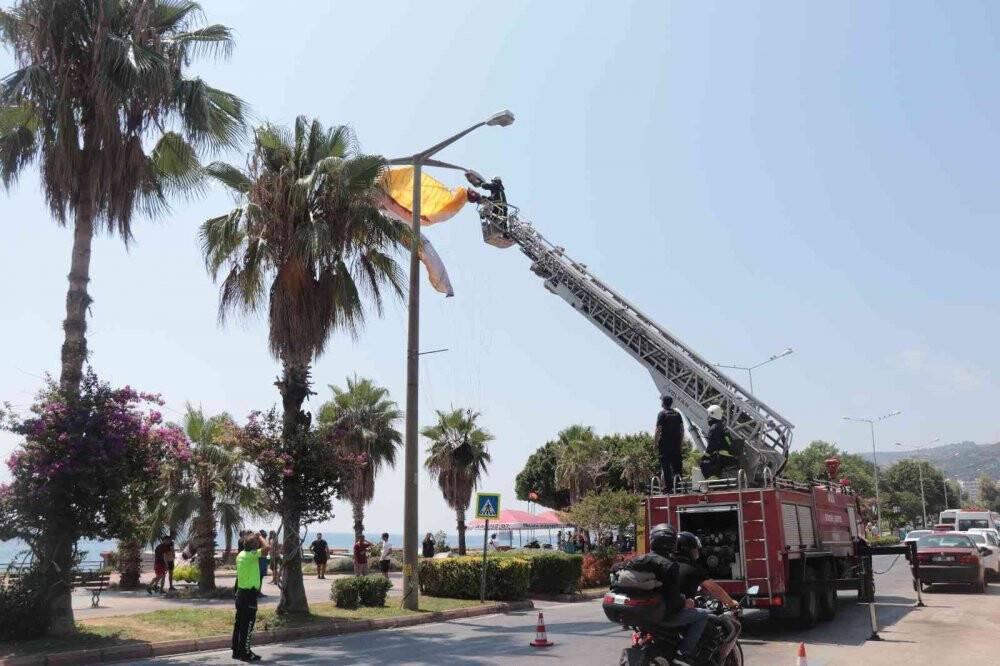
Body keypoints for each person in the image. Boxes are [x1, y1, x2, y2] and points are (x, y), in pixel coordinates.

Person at [621, 523, 708, 665]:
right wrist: (686, 602)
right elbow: (673, 600)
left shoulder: (638, 560)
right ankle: (684, 652)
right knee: (703, 615)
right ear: (671, 543)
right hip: (662, 615)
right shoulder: (669, 565)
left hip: (644, 613)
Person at [232, 532, 269, 662]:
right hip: (249, 595)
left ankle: (237, 651)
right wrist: (259, 537)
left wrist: (254, 539)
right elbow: (267, 548)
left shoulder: (241, 555)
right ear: (254, 546)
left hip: (241, 594)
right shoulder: (251, 556)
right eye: (256, 544)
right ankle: (245, 653)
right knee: (247, 625)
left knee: (239, 623)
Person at [655, 395, 684, 491]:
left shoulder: (662, 414)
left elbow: (658, 430)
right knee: (677, 467)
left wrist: (655, 443)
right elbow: (682, 430)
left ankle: (668, 488)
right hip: (676, 445)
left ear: (663, 403)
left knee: (666, 467)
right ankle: (679, 487)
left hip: (665, 446)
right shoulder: (677, 414)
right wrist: (680, 443)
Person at [700, 404, 737, 479]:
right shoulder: (722, 426)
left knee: (704, 463)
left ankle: (713, 483)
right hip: (730, 457)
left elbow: (712, 446)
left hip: (723, 459)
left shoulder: (713, 428)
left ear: (711, 414)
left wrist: (705, 456)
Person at [256, 530, 269, 596]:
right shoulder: (258, 542)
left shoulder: (263, 541)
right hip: (260, 559)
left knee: (261, 577)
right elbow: (267, 547)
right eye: (264, 536)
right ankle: (257, 592)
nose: (265, 537)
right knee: (259, 577)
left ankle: (258, 591)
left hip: (263, 559)